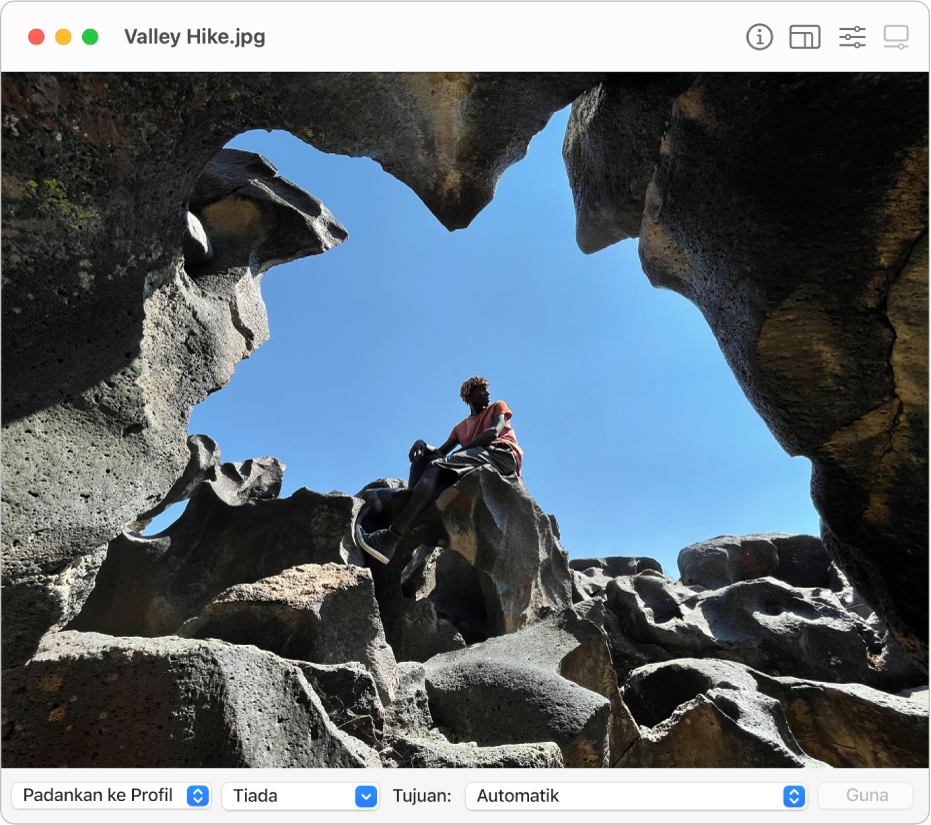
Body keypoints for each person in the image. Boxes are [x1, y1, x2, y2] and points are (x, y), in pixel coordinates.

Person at [356, 376, 523, 564]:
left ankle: (390, 538)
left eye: (487, 390)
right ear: (470, 394)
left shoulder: (497, 406)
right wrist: (424, 445)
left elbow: (492, 433)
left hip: (500, 453)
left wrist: (459, 453)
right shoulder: (461, 427)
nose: (488, 393)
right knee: (423, 462)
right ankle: (413, 505)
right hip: (476, 456)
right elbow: (442, 452)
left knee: (436, 466)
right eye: (482, 390)